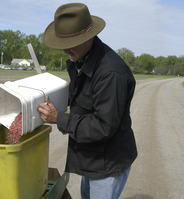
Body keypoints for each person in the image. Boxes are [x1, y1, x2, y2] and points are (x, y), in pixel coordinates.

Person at [38, 3, 137, 199]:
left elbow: (103, 126)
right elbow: (83, 97)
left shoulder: (110, 73)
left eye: (71, 43)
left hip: (107, 162)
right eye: (62, 44)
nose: (65, 50)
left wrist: (59, 118)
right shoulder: (82, 59)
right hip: (93, 157)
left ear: (88, 37)